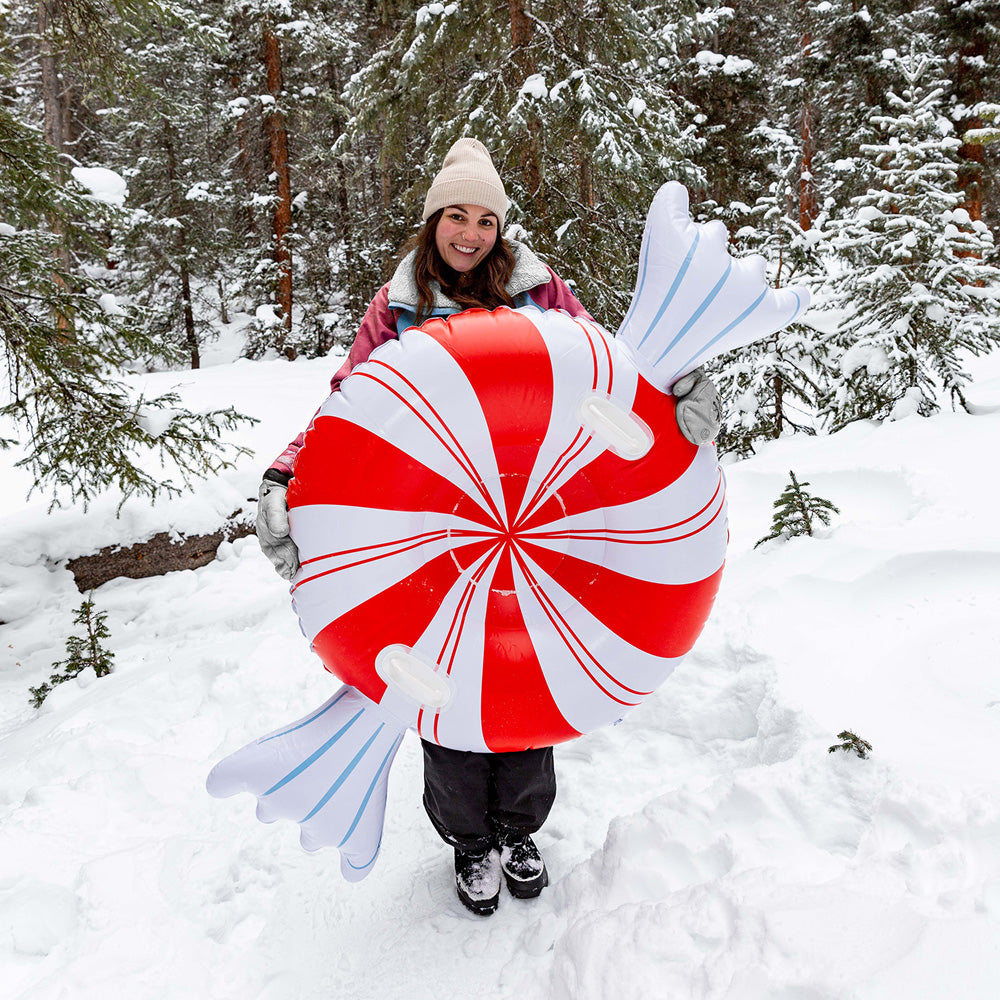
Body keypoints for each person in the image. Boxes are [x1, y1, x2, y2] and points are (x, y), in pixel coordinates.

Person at [255, 138, 722, 916]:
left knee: (527, 680)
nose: (470, 234)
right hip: (429, 533)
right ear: (433, 219)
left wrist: (680, 389)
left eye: (485, 220)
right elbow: (346, 407)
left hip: (546, 527)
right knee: (443, 689)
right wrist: (284, 473)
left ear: (501, 228)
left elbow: (613, 373)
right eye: (456, 217)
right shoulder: (397, 308)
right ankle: (469, 839)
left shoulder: (541, 294)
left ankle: (518, 828)